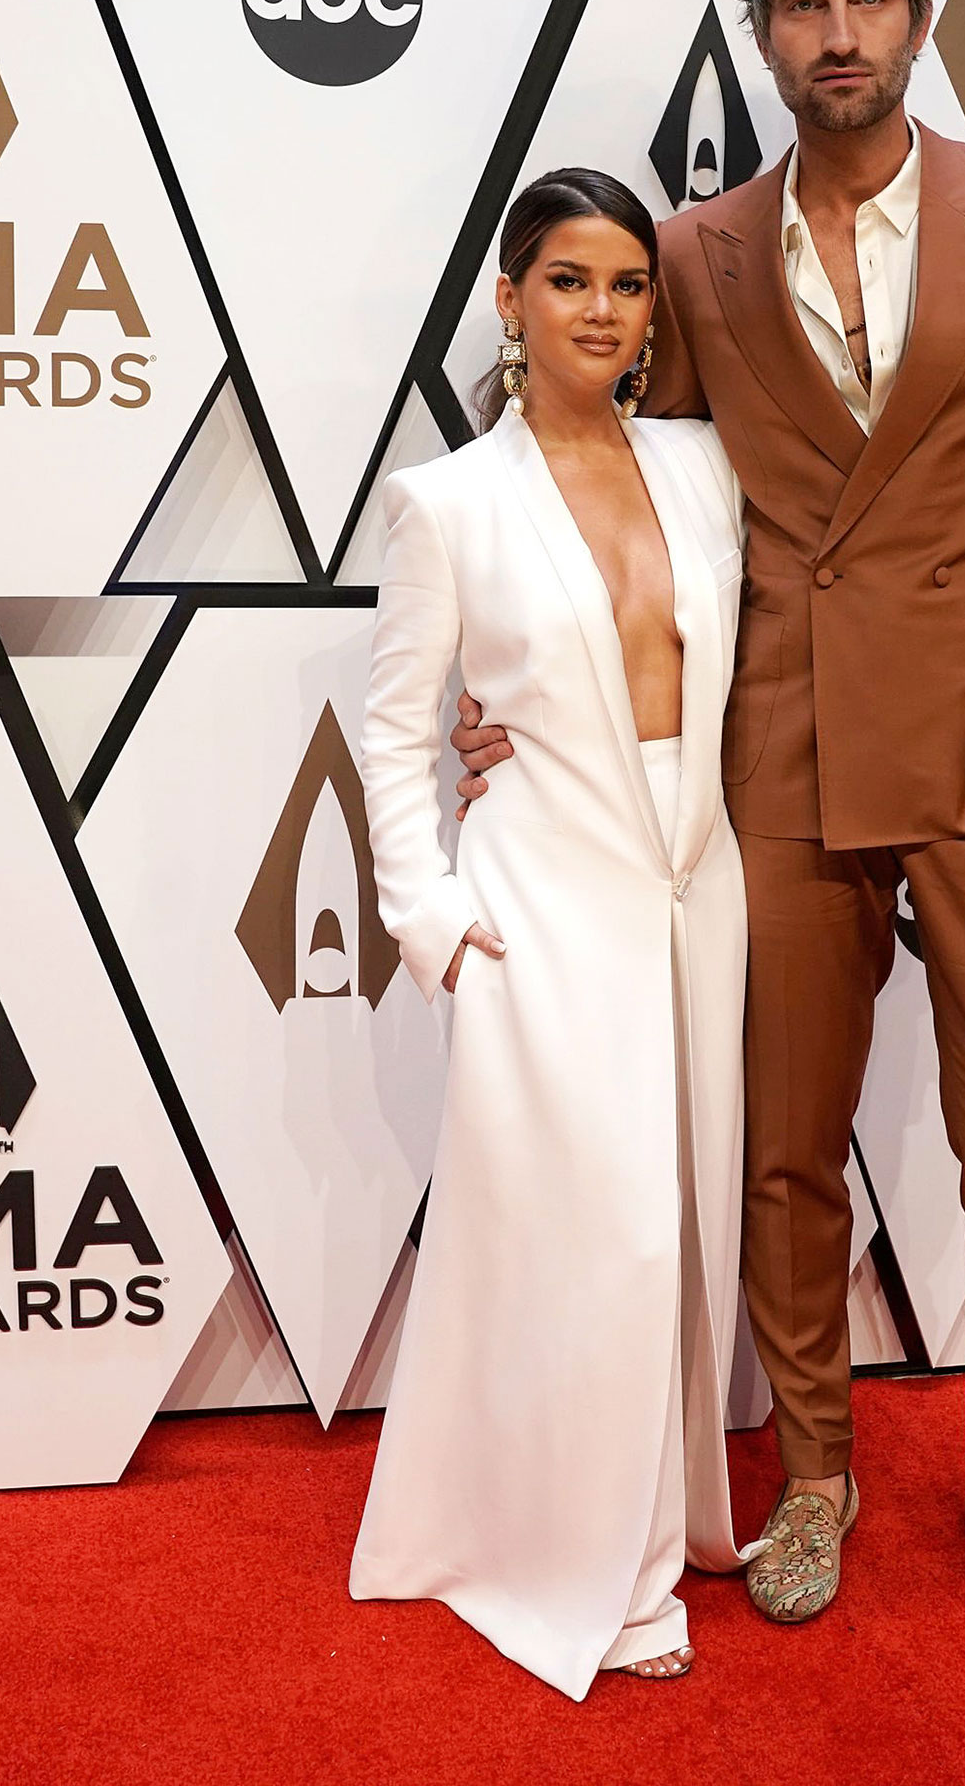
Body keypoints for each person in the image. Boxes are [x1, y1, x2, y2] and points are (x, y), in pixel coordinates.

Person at [454, 0, 965, 1640]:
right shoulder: (697, 253)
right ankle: (812, 1477)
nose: (835, 32)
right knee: (785, 1147)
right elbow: (641, 502)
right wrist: (528, 692)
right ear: (762, 33)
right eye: (801, 4)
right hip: (778, 757)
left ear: (914, 16)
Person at [349, 169, 760, 1700]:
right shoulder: (448, 501)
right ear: (510, 299)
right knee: (602, 1236)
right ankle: (609, 1572)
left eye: (628, 283)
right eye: (569, 280)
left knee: (682, 1222)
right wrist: (433, 918)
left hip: (696, 886)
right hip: (537, 904)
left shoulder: (705, 465)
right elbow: (397, 730)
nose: (602, 310)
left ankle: (665, 1512)